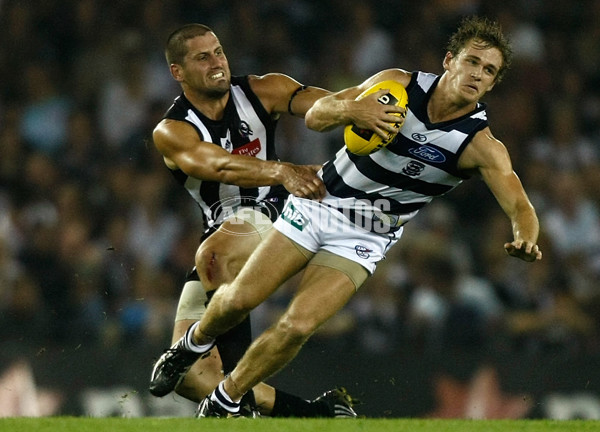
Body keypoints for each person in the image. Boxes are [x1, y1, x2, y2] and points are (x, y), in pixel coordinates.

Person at [150, 16, 543, 418]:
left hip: (366, 235)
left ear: (494, 84)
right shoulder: (397, 86)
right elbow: (318, 115)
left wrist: (525, 236)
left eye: (489, 71)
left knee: (298, 326)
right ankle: (193, 345)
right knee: (239, 300)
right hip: (318, 203)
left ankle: (226, 399)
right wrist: (353, 110)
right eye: (472, 62)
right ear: (449, 60)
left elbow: (520, 205)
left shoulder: (481, 145)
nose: (478, 74)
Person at [147, 23, 362, 417]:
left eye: (219, 52)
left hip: (282, 213)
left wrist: (357, 108)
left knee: (214, 257)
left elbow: (323, 103)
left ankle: (230, 404)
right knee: (192, 379)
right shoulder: (172, 130)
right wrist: (280, 170)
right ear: (177, 72)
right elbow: (218, 166)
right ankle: (320, 414)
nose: (217, 63)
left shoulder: (264, 90)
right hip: (225, 231)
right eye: (202, 57)